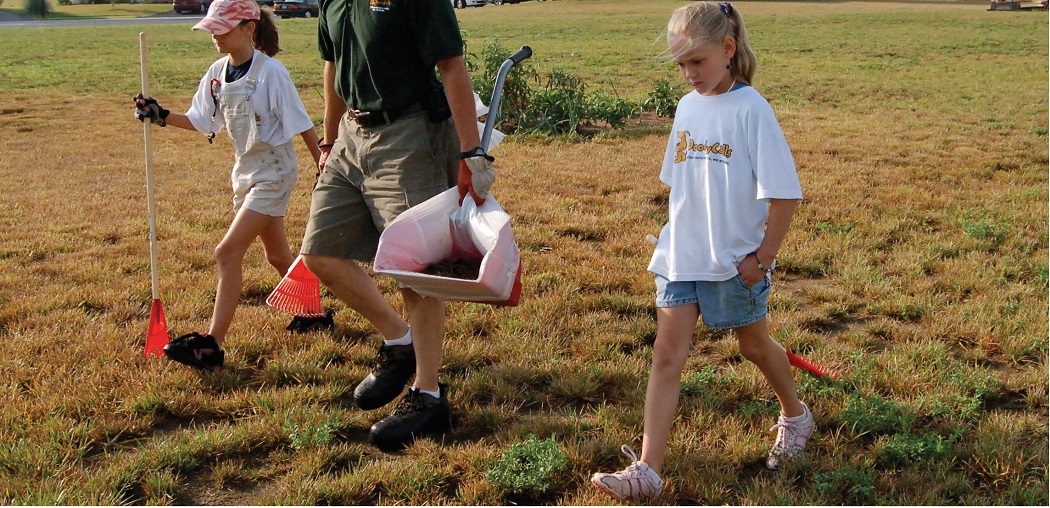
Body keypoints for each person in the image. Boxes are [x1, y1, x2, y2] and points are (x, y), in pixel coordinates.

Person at [590, 1, 811, 500]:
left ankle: (795, 417)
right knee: (666, 355)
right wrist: (674, 241)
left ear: (728, 49)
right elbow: (679, 183)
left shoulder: (752, 109)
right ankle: (647, 470)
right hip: (680, 255)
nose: (689, 73)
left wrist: (764, 258)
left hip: (736, 263)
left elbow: (784, 193)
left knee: (754, 347)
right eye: (681, 64)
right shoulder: (687, 107)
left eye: (697, 62)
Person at [301, 0, 496, 451]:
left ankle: (428, 398)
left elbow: (450, 64)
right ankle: (399, 340)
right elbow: (333, 68)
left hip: (409, 135)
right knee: (320, 253)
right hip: (351, 137)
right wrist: (329, 140)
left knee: (416, 271)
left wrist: (470, 154)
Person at [133, 0, 329, 370]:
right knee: (277, 255)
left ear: (248, 28)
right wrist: (159, 116)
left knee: (227, 253)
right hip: (245, 171)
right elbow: (200, 121)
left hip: (274, 171)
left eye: (222, 29)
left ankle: (211, 345)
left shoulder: (272, 72)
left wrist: (322, 160)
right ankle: (314, 313)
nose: (214, 36)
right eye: (211, 29)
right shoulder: (217, 73)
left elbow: (300, 121)